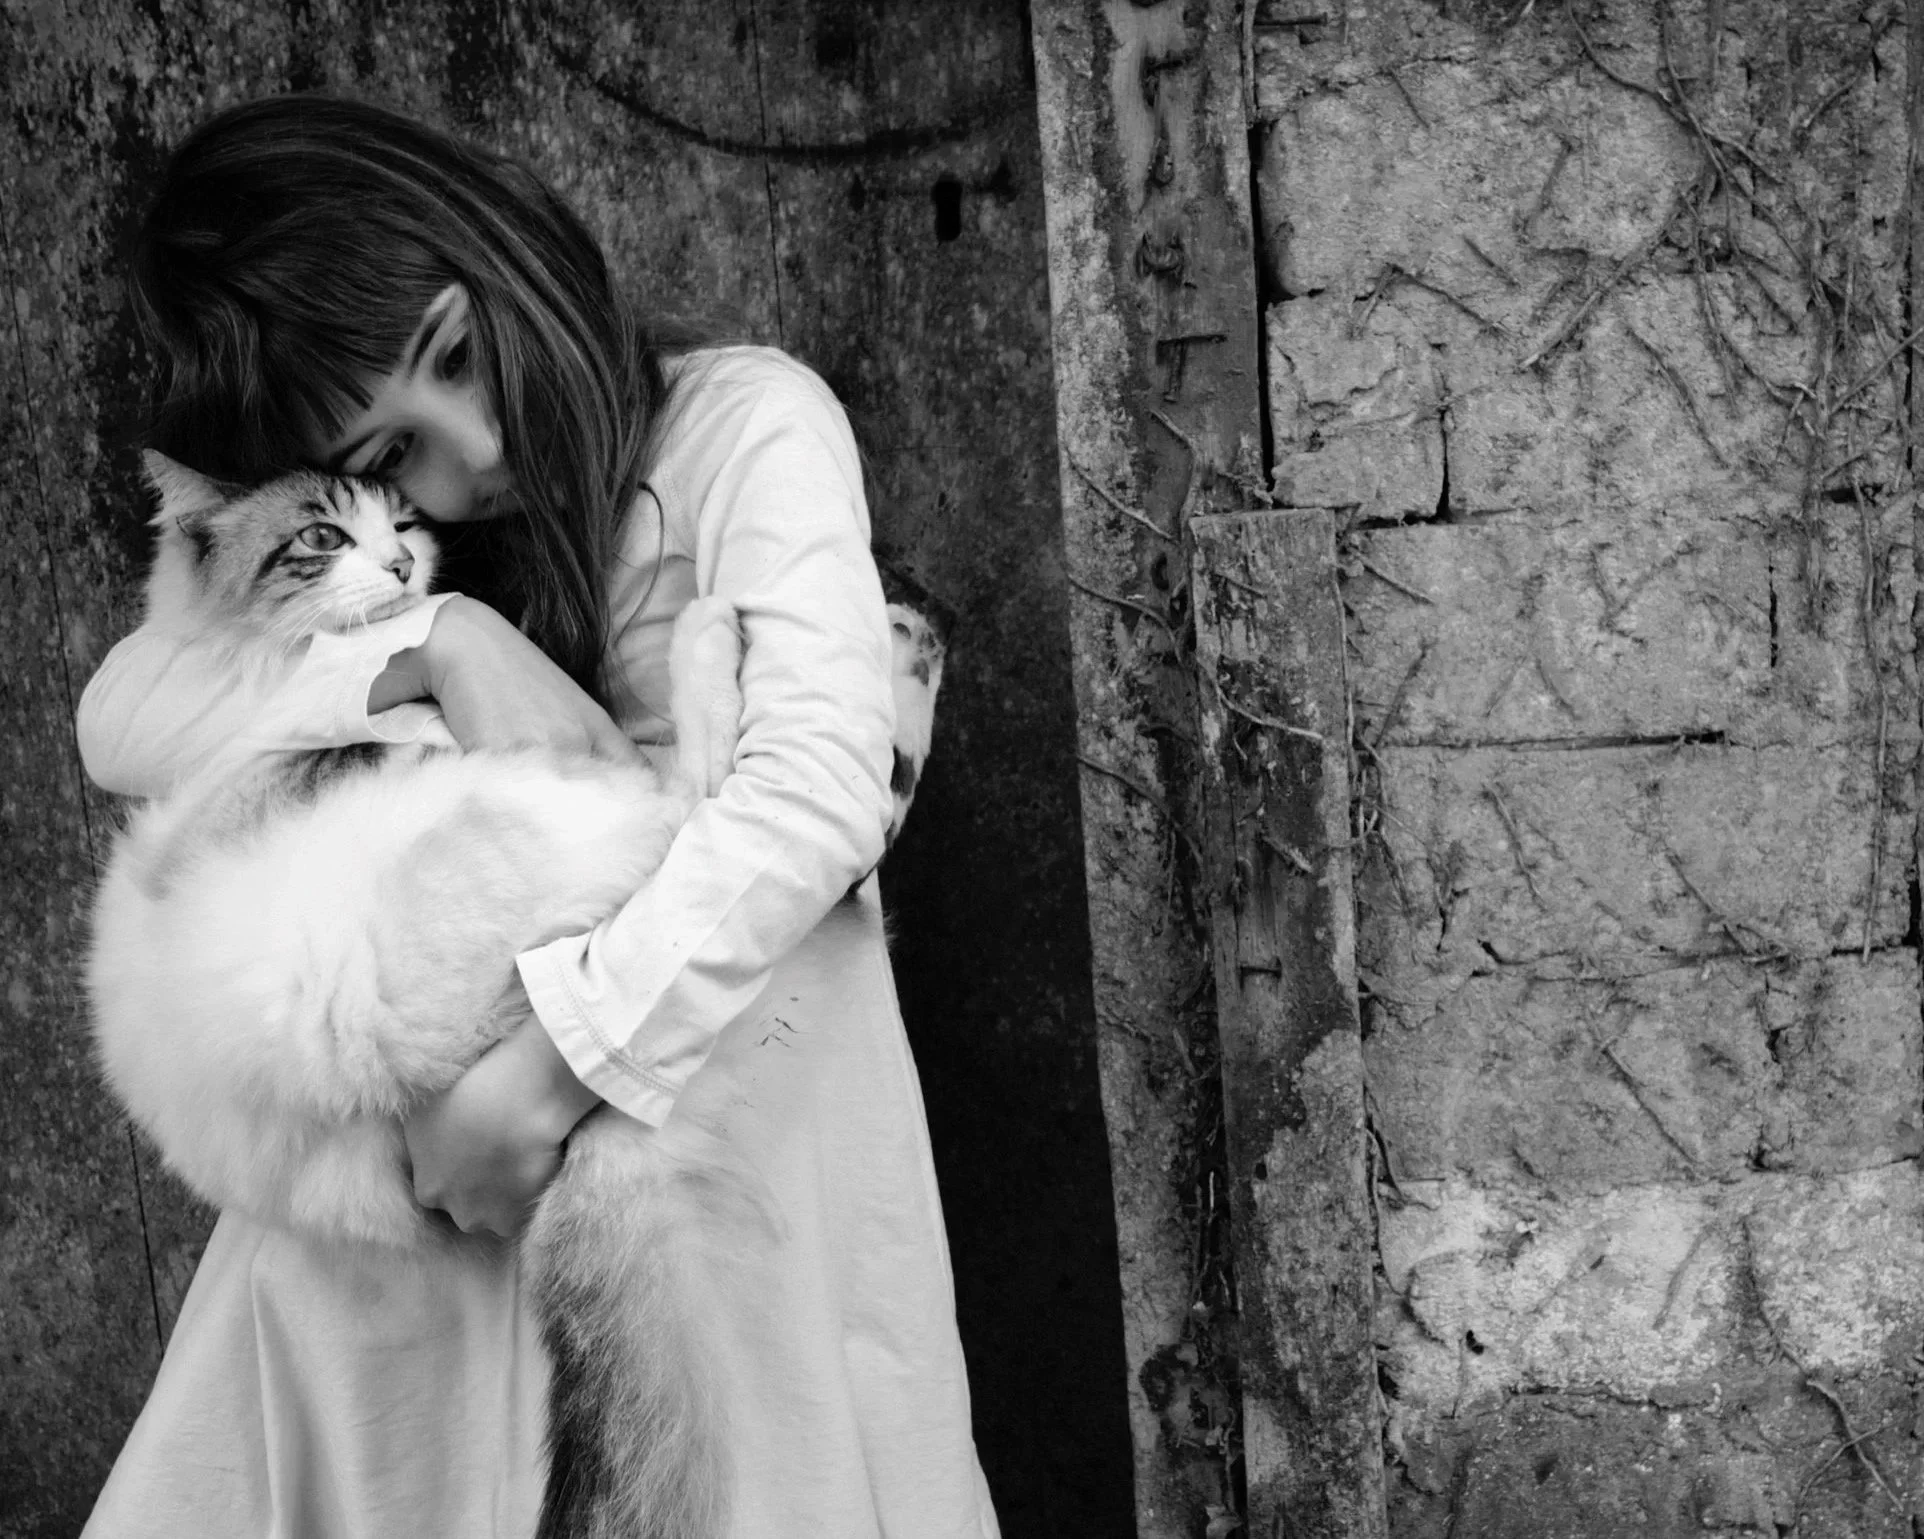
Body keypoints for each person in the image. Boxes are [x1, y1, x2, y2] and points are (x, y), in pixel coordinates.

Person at [77, 93, 998, 1539]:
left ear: (494, 231)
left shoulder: (740, 421)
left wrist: (553, 1070)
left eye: (456, 355)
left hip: (691, 1109)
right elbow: (120, 718)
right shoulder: (413, 567)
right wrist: (442, 640)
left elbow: (817, 786)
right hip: (425, 1218)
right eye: (390, 457)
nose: (474, 448)